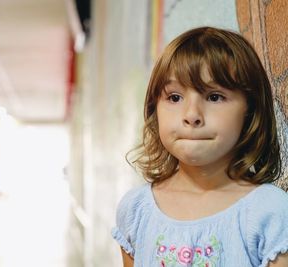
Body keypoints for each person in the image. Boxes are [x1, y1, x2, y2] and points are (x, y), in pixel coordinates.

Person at [111, 27, 288, 267]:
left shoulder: (271, 213)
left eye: (215, 97)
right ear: (155, 109)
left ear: (250, 110)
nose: (192, 115)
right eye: (174, 97)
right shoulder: (136, 210)